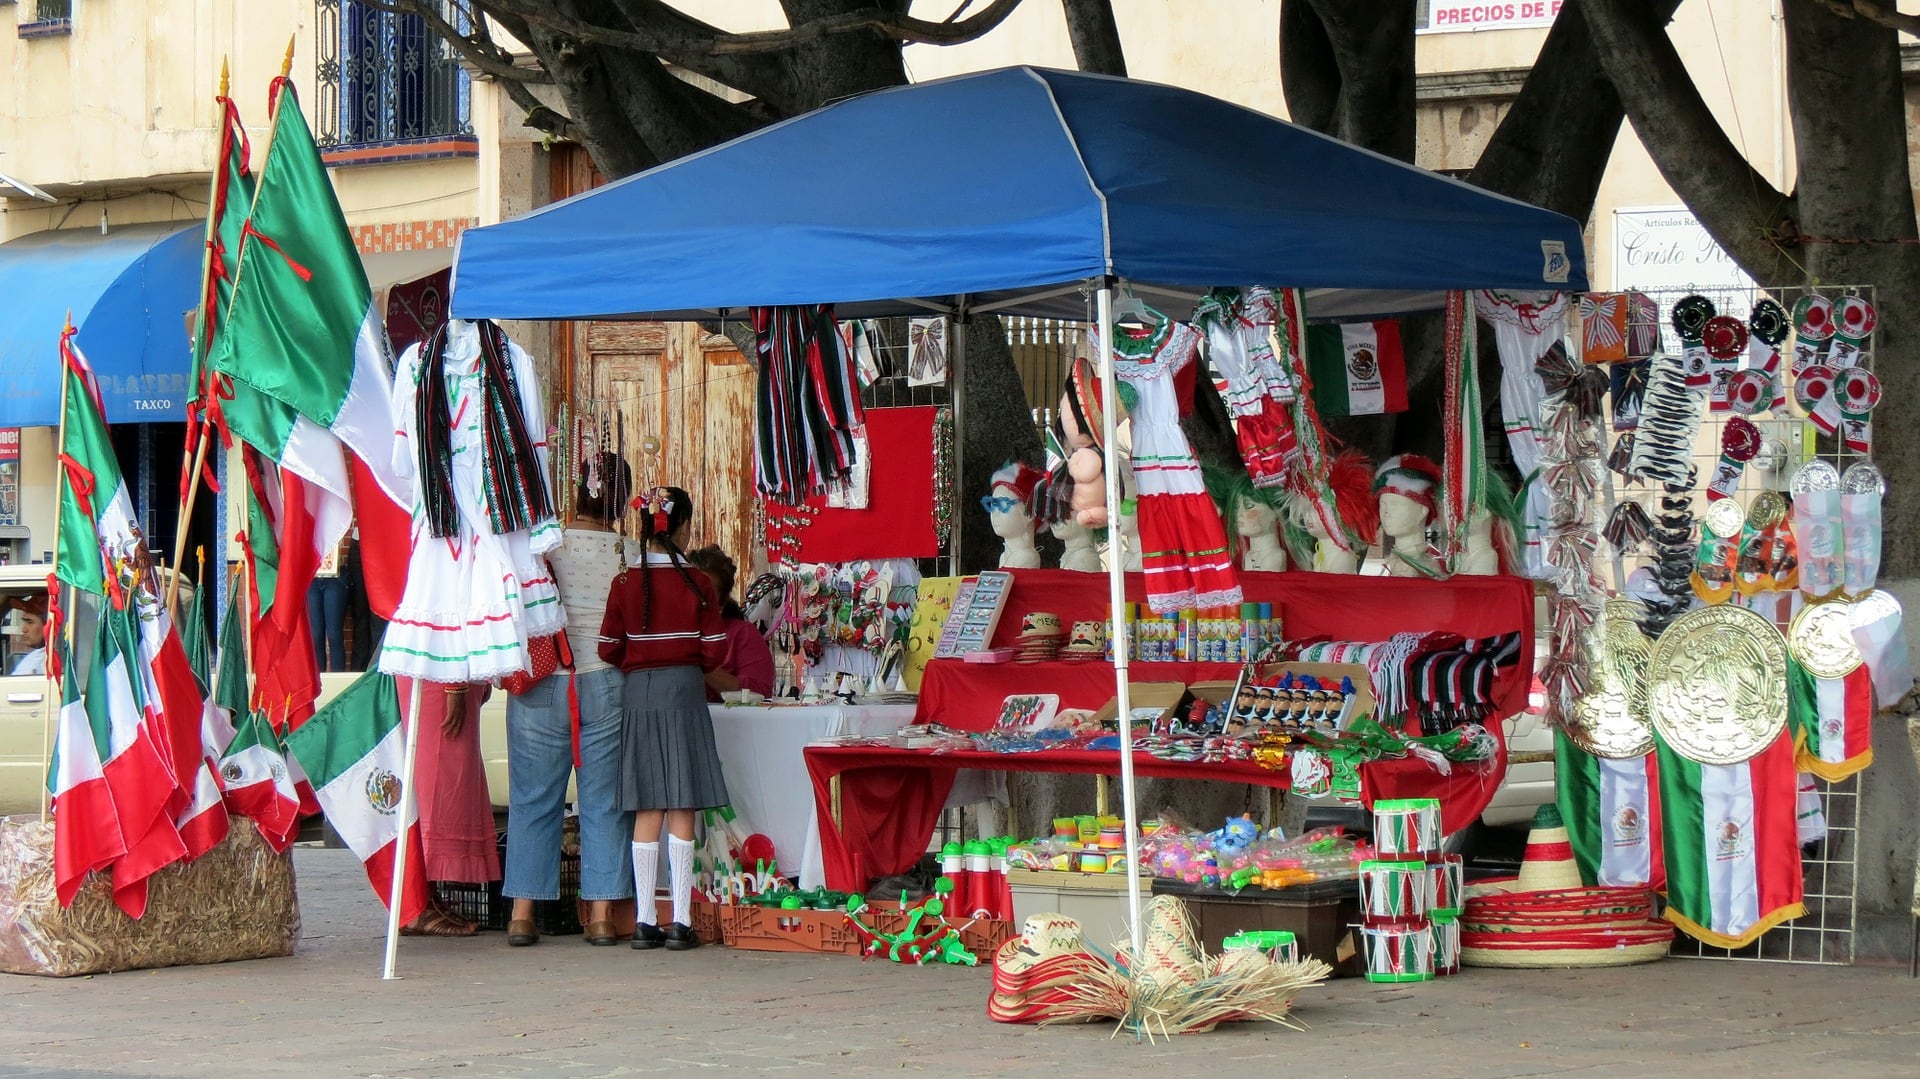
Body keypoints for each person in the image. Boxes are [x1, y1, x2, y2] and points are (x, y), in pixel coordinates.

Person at [503, 454, 636, 947]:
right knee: (604, 801)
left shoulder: (543, 547)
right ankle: (601, 914)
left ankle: (522, 913)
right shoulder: (630, 551)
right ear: (620, 500)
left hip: (543, 680)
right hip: (606, 681)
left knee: (534, 799)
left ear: (577, 489)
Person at [599, 486, 729, 951]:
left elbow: (607, 648)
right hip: (684, 691)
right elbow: (716, 650)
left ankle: (644, 921)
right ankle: (681, 921)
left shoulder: (623, 583)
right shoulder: (698, 583)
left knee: (647, 804)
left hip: (639, 694)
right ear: (684, 527)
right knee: (682, 802)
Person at [684, 545, 774, 701]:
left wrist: (702, 665)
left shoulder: (742, 634)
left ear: (720, 606)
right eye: (686, 590)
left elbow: (759, 694)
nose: (692, 600)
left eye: (703, 595)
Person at [6, 594, 46, 676]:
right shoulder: (41, 655)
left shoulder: (46, 660)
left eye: (30, 622)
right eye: (25, 622)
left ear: (48, 626)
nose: (23, 630)